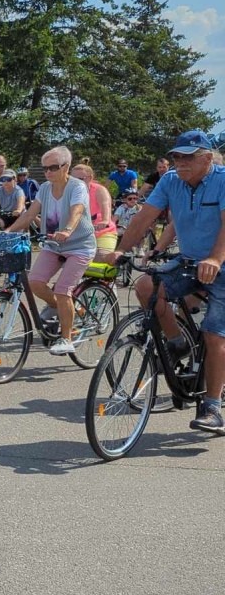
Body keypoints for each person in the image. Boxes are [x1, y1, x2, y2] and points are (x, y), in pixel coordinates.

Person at [104, 130, 225, 432]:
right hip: (189, 261)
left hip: (222, 265)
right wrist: (121, 250)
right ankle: (177, 342)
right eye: (177, 156)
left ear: (207, 159)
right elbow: (143, 218)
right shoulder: (170, 180)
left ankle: (212, 406)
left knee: (214, 335)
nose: (180, 162)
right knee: (146, 286)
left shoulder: (222, 180)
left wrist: (215, 259)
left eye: (188, 157)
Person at [4, 145, 96, 356]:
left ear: (66, 166)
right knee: (35, 282)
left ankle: (67, 338)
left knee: (63, 290)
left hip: (79, 246)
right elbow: (29, 215)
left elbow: (77, 210)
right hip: (53, 244)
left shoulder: (77, 187)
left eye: (53, 167)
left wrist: (67, 230)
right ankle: (64, 309)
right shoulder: (45, 188)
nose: (48, 172)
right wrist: (7, 232)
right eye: (45, 168)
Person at [72, 160, 117, 253]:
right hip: (78, 233)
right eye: (72, 179)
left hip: (102, 232)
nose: (75, 182)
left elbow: (106, 206)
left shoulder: (99, 190)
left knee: (101, 256)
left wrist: (105, 220)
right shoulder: (68, 192)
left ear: (90, 178)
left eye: (80, 179)